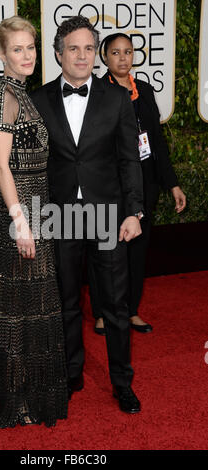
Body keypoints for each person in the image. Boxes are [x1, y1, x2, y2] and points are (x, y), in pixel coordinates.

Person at [31, 16, 144, 414]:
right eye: (73, 48)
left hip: (109, 214)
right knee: (64, 302)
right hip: (60, 214)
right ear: (59, 53)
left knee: (113, 304)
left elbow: (130, 159)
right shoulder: (40, 99)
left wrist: (134, 212)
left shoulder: (116, 98)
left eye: (88, 48)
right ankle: (70, 374)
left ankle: (121, 382)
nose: (82, 55)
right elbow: (31, 166)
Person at [0, 15, 68, 428]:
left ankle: (31, 395)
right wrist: (20, 222)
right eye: (16, 49)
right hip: (21, 210)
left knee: (36, 303)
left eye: (30, 48)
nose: (26, 55)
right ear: (1, 54)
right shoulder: (4, 96)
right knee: (21, 307)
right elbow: (1, 166)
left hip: (38, 204)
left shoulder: (23, 93)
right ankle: (18, 401)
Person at [91, 33, 186, 335]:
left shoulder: (143, 90)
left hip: (144, 183)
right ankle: (104, 312)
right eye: (115, 52)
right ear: (104, 57)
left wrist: (172, 184)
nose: (122, 58)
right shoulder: (96, 92)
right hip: (109, 184)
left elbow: (156, 141)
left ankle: (130, 311)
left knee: (137, 251)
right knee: (105, 250)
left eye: (128, 52)